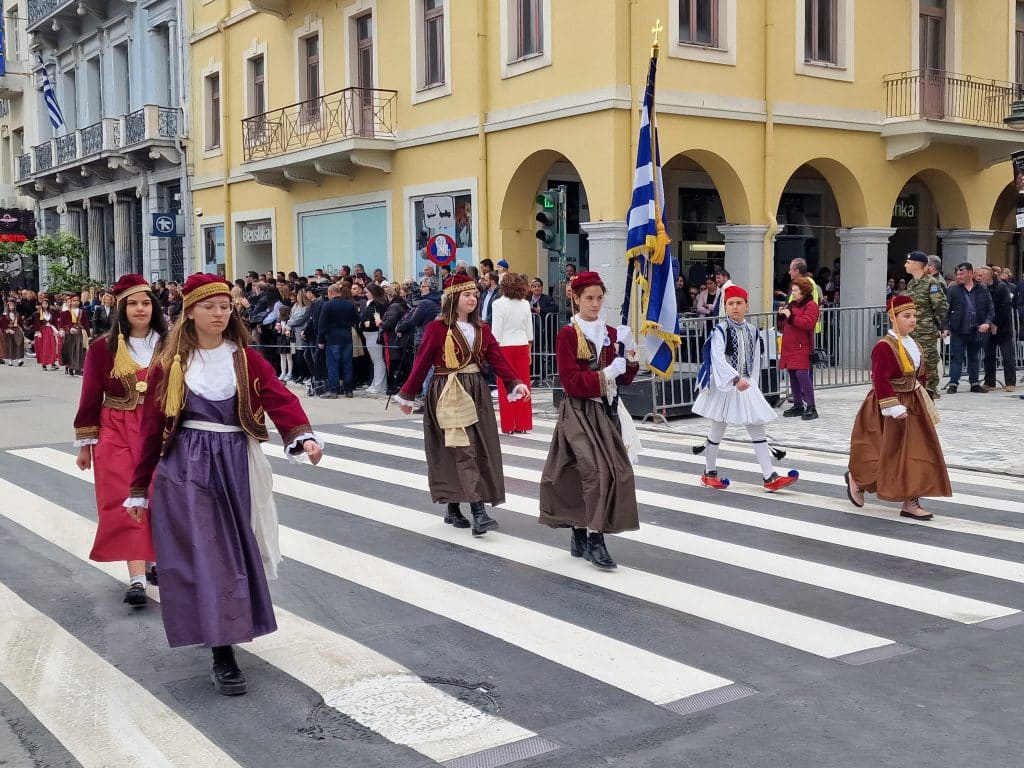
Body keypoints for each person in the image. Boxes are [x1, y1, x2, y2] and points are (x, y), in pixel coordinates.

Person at [124, 273, 323, 696]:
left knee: (235, 551)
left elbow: (278, 397)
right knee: (208, 555)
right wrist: (139, 488)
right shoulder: (171, 364)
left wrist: (302, 435)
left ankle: (226, 629)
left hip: (236, 463)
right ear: (191, 311)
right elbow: (149, 429)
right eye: (210, 306)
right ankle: (222, 651)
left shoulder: (245, 359)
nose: (219, 313)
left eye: (225, 306)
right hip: (186, 469)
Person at [393, 274, 530, 535]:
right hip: (448, 390)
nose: (473, 299)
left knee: (476, 447)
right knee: (462, 447)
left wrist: (514, 382)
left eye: (475, 295)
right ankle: (478, 511)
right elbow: (421, 363)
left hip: (476, 391)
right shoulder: (437, 328)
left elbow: (497, 359)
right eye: (467, 295)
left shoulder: (482, 329)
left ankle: (453, 507)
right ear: (454, 298)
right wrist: (408, 395)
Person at [538, 271, 641, 570]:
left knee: (618, 472)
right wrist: (608, 372)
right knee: (593, 472)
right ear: (576, 298)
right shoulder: (569, 334)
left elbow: (627, 378)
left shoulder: (611, 332)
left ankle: (581, 531)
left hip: (607, 410)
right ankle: (594, 539)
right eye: (589, 298)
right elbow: (571, 382)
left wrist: (629, 353)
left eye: (599, 298)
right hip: (579, 411)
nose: (595, 304)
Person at [74, 275, 166, 606]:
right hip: (114, 429)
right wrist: (86, 444)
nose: (139, 309)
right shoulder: (103, 348)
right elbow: (89, 396)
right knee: (126, 498)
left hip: (159, 430)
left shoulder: (170, 344)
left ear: (153, 307)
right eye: (132, 303)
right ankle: (137, 577)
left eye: (145, 303)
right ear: (121, 309)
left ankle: (155, 560)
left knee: (159, 496)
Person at [846, 294, 951, 520]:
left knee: (915, 453)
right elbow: (880, 378)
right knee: (882, 451)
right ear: (893, 317)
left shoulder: (915, 344)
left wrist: (924, 400)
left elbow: (920, 376)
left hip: (912, 405)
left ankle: (910, 501)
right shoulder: (884, 346)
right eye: (907, 316)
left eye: (914, 315)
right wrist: (892, 406)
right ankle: (858, 478)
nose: (912, 320)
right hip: (887, 407)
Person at [693, 285, 800, 492]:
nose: (735, 307)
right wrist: (734, 379)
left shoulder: (752, 331)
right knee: (717, 429)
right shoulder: (720, 330)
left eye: (739, 303)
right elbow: (717, 358)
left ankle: (769, 476)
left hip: (746, 384)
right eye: (731, 303)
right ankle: (709, 472)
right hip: (725, 386)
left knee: (757, 425)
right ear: (725, 307)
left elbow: (755, 362)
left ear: (746, 306)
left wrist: (752, 385)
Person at [490, 273, 534, 434]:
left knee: (505, 386)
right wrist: (529, 349)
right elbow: (529, 330)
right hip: (522, 344)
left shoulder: (498, 304)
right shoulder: (525, 304)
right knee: (524, 384)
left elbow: (496, 331)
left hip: (504, 346)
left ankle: (509, 425)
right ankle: (523, 424)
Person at [903, 251, 948, 400]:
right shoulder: (911, 283)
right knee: (913, 358)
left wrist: (935, 325)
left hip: (926, 329)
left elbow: (941, 306)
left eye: (908, 263)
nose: (905, 265)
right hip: (912, 329)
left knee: (929, 359)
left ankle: (930, 389)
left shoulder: (931, 283)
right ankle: (916, 386)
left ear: (916, 265)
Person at [944, 262, 993, 394]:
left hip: (976, 330)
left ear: (970, 273)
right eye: (957, 274)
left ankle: (975, 383)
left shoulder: (982, 289)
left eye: (962, 273)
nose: (958, 276)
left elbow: (990, 308)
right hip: (958, 329)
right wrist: (945, 327)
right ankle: (953, 383)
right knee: (957, 358)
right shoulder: (953, 290)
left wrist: (987, 323)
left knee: (974, 357)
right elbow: (946, 310)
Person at [778, 276, 820, 420]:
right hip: (789, 345)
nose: (793, 293)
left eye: (795, 290)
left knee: (802, 374)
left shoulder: (811, 306)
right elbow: (785, 324)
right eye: (792, 290)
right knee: (792, 374)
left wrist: (790, 317)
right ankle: (798, 404)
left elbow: (807, 323)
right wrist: (782, 317)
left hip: (802, 346)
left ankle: (811, 406)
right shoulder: (792, 304)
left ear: (804, 291)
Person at [976, 266, 1016, 392]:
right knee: (989, 356)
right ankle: (989, 381)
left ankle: (1010, 382)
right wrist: (987, 323)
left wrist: (996, 324)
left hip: (1003, 327)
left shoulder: (1001, 287)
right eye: (977, 275)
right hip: (988, 326)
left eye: (981, 276)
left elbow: (1005, 308)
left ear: (989, 275)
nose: (978, 278)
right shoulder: (981, 289)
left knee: (1007, 356)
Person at [316, 283, 359, 399]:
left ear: (330, 292)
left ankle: (333, 390)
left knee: (333, 365)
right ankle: (349, 390)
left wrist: (320, 339)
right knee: (348, 364)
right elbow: (357, 319)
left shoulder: (328, 305)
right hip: (347, 338)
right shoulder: (349, 304)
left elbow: (322, 324)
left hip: (332, 339)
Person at [360, 283, 389, 395]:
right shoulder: (371, 304)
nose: (365, 294)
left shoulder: (377, 305)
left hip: (374, 334)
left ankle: (379, 385)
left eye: (367, 292)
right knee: (375, 361)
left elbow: (377, 321)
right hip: (369, 334)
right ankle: (375, 383)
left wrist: (369, 323)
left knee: (378, 360)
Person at [59, 293, 91, 376]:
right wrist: (69, 328)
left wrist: (88, 334)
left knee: (80, 350)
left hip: (80, 333)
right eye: (74, 301)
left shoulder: (82, 312)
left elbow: (86, 323)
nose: (76, 302)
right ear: (71, 302)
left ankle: (79, 368)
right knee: (71, 351)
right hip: (70, 334)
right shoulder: (66, 312)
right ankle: (70, 367)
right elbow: (62, 324)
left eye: (77, 300)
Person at [34, 297, 60, 370]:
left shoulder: (51, 312)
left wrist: (56, 330)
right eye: (43, 303)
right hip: (43, 331)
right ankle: (44, 364)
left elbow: (55, 321)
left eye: (46, 303)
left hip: (51, 330)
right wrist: (38, 331)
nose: (45, 305)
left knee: (52, 347)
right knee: (44, 348)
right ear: (41, 304)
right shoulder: (38, 313)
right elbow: (36, 323)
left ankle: (53, 363)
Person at [1, 299, 26, 366]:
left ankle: (20, 360)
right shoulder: (4, 315)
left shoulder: (17, 314)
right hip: (9, 330)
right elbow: (2, 324)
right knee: (10, 345)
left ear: (14, 306)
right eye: (10, 305)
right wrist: (7, 330)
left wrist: (23, 330)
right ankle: (10, 360)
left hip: (17, 330)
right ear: (8, 306)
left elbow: (21, 323)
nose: (11, 306)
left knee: (19, 343)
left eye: (12, 305)